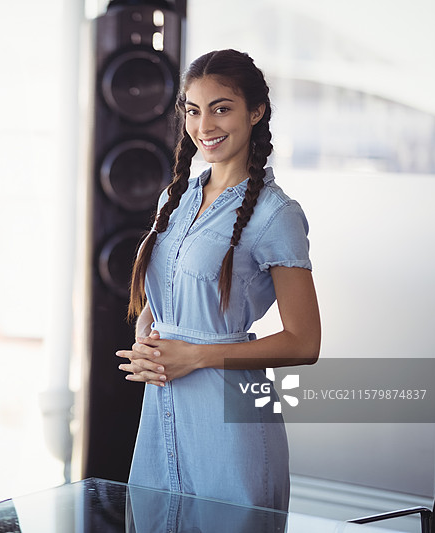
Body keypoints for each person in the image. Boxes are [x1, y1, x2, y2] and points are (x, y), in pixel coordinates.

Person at [116, 49, 321, 512]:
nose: (204, 125)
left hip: (234, 424)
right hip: (160, 410)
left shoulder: (277, 215)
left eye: (221, 108)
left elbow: (305, 343)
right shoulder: (178, 196)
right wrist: (148, 337)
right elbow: (166, 290)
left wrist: (195, 355)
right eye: (193, 110)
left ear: (255, 111)